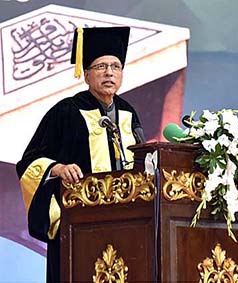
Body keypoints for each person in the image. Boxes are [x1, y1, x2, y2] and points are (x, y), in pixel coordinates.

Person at [16, 27, 142, 282]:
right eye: (100, 66)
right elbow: (28, 162)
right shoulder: (66, 112)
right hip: (77, 223)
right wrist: (57, 168)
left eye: (115, 66)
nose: (109, 72)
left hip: (127, 223)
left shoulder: (129, 113)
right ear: (86, 74)